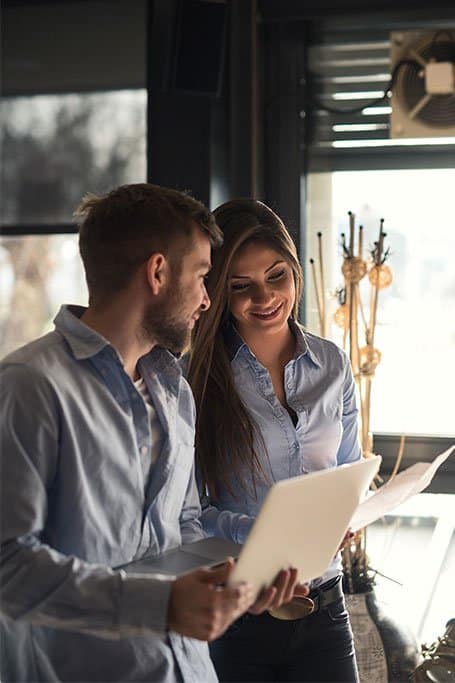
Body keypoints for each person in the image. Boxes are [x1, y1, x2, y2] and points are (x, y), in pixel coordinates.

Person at [0, 184, 297, 683]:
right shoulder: (29, 386)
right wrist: (160, 603)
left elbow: (184, 529)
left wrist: (242, 577)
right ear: (157, 272)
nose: (208, 300)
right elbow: (8, 565)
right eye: (203, 276)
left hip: (187, 670)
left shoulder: (172, 388)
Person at [188, 198, 362, 682]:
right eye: (240, 286)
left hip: (325, 605)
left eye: (276, 276)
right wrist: (271, 534)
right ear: (219, 291)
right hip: (240, 614)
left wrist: (344, 518)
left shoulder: (333, 364)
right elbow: (189, 515)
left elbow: (350, 474)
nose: (263, 297)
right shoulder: (196, 380)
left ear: (294, 271)